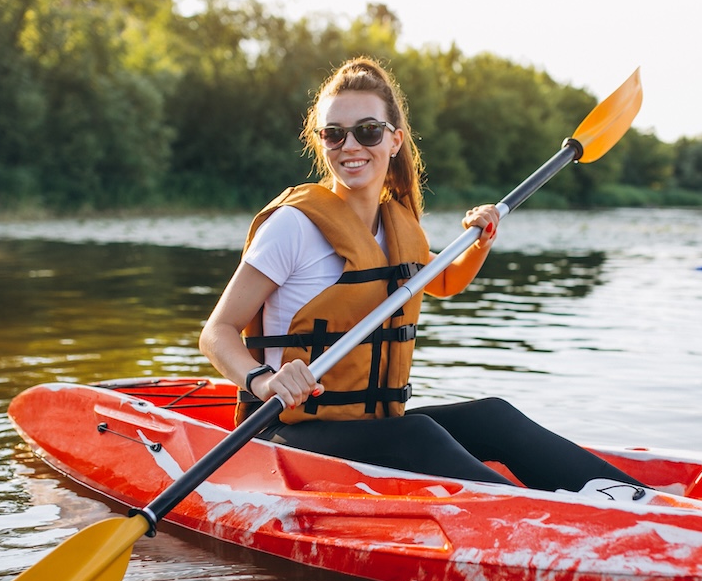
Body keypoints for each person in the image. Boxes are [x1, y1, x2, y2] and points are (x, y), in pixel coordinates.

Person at [199, 56, 647, 495]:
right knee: (418, 436)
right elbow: (216, 333)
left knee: (493, 415)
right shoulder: (293, 226)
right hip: (288, 434)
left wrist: (480, 243)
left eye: (367, 131)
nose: (350, 145)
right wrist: (262, 379)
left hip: (375, 430)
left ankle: (647, 506)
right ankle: (562, 524)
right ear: (321, 143)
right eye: (334, 135)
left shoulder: (397, 226)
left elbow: (447, 281)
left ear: (394, 140)